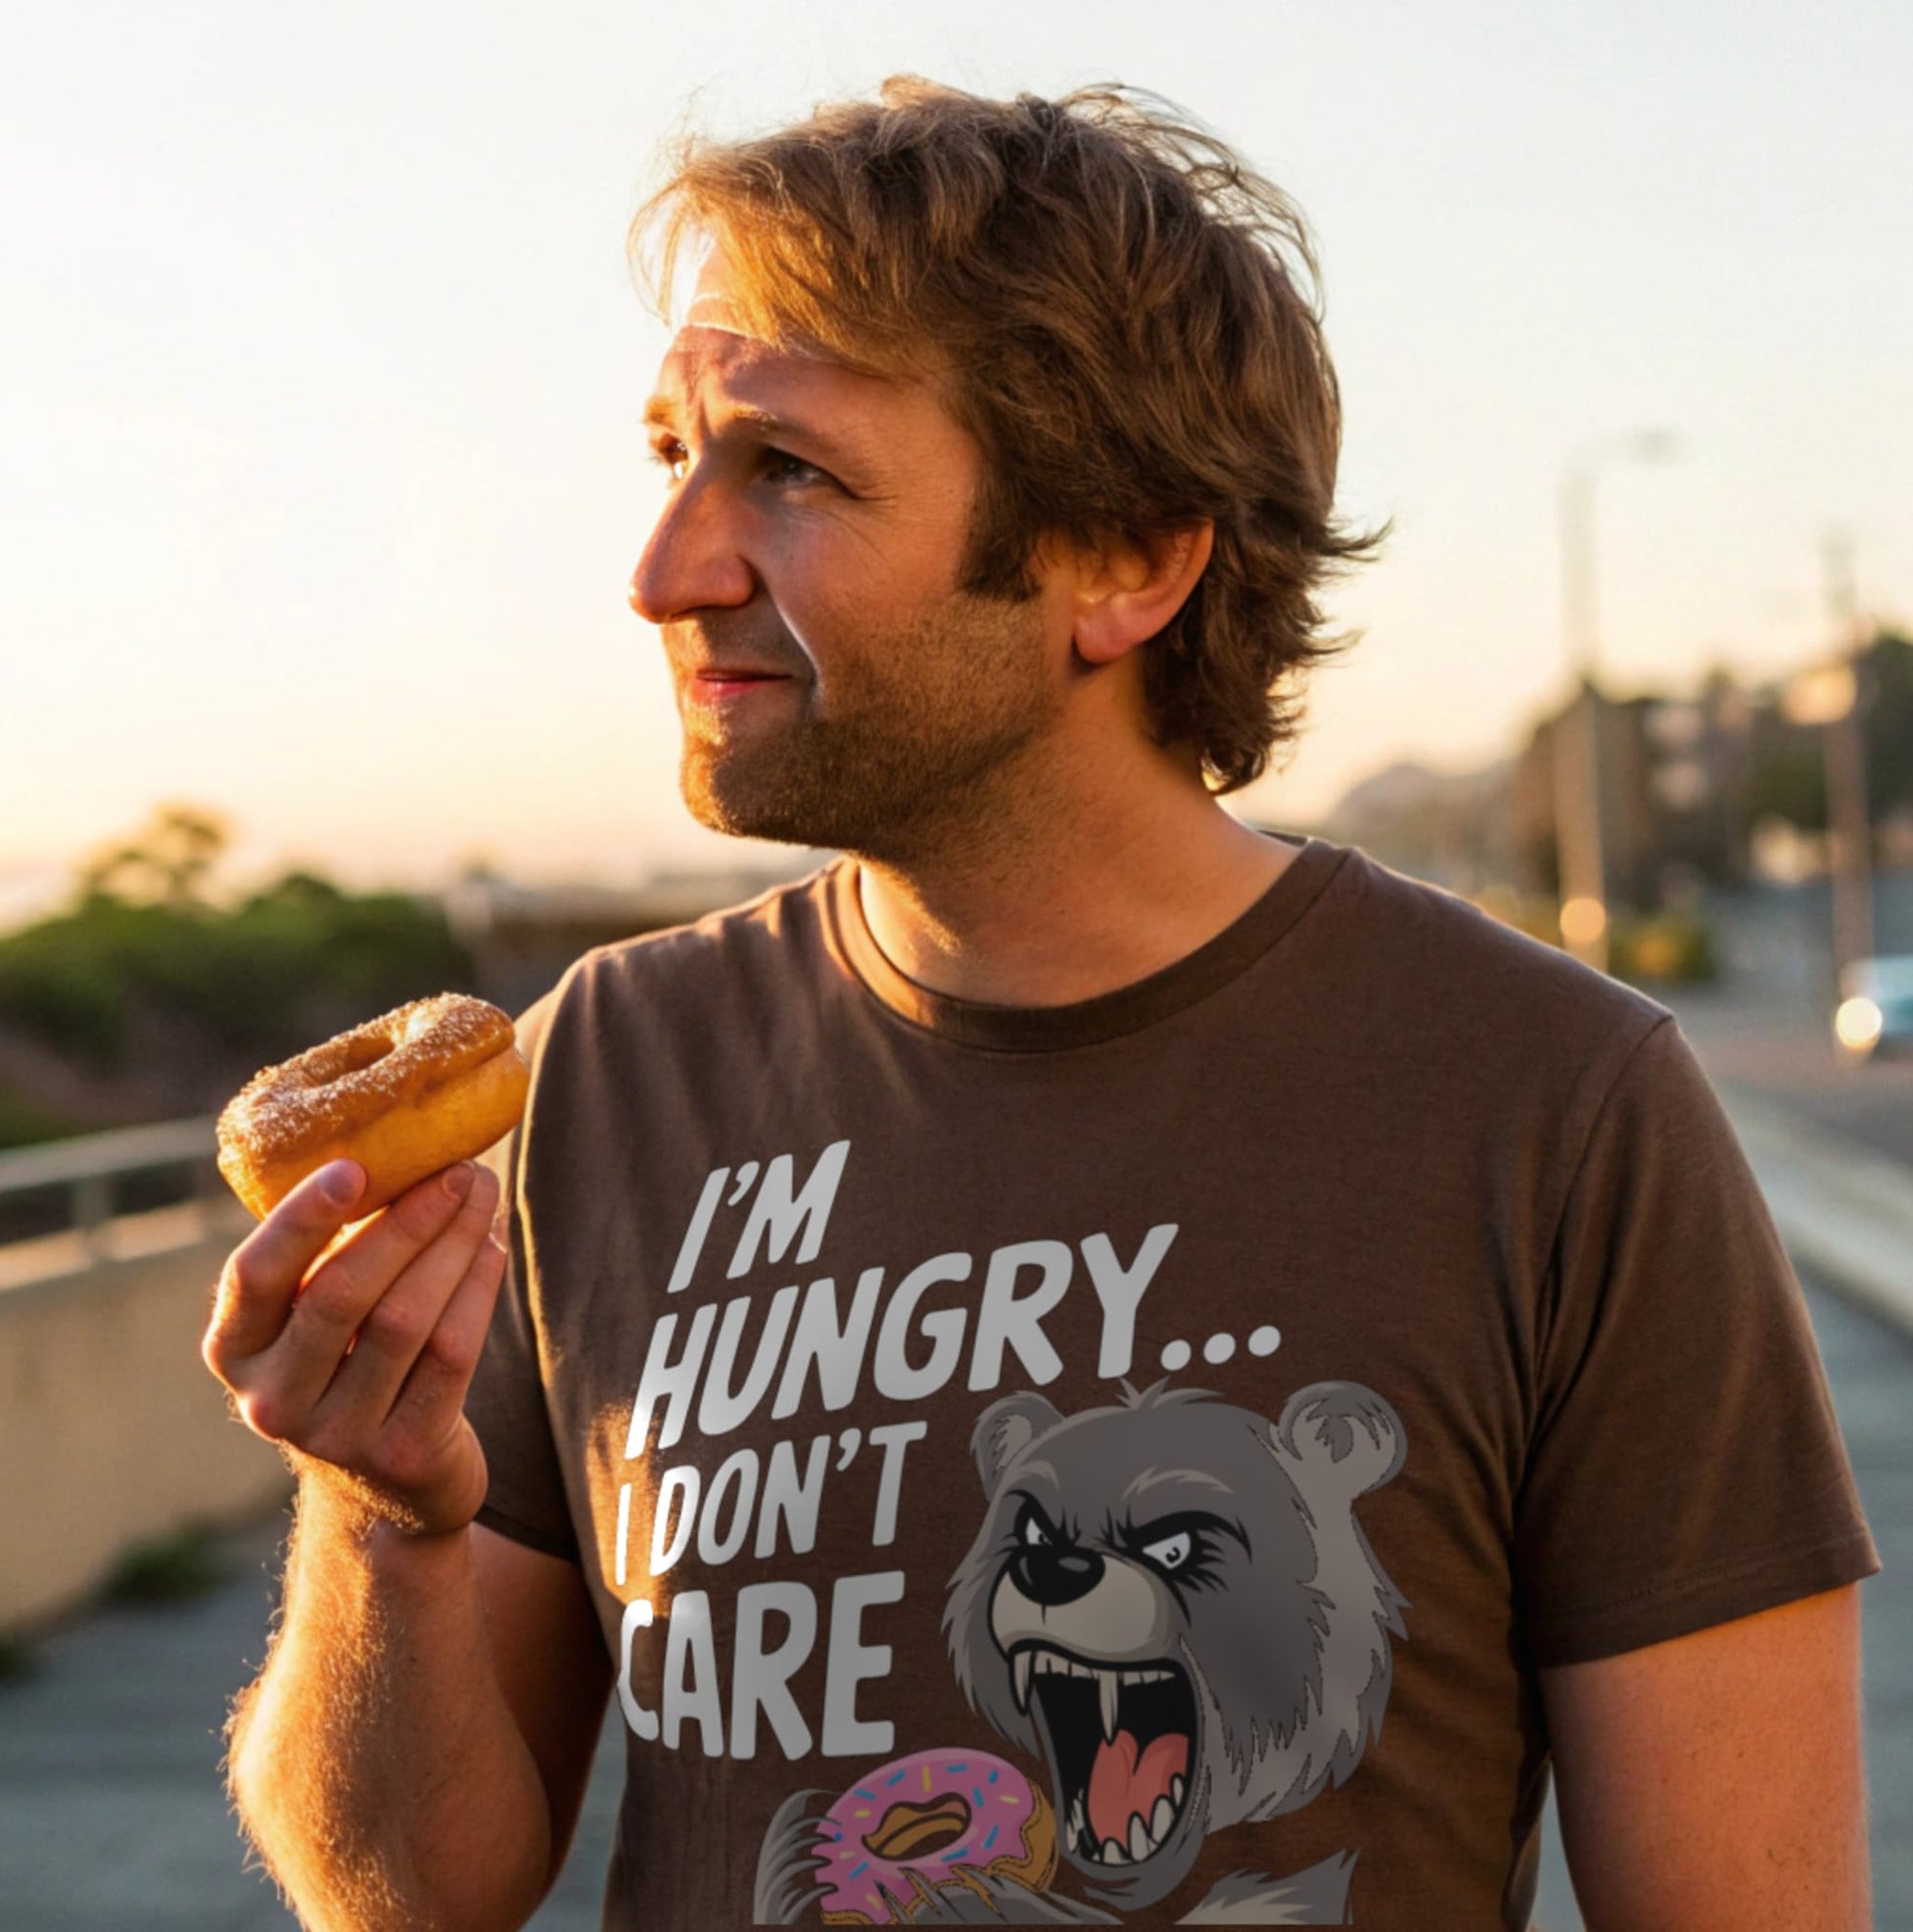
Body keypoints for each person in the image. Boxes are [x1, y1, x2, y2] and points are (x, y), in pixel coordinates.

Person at [205, 77, 1878, 1930]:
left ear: (1126, 562)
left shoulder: (1550, 1103)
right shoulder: (608, 1065)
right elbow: (405, 1897)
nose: (666, 572)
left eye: (793, 471)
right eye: (672, 454)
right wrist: (382, 1510)